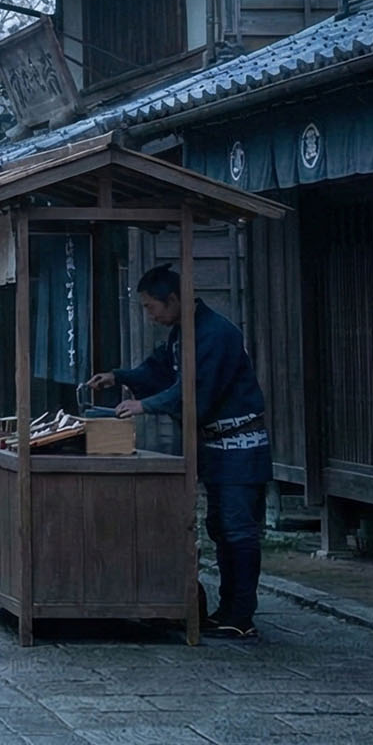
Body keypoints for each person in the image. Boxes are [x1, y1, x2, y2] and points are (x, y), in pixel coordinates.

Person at [87, 266, 270, 640]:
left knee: (238, 530)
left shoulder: (218, 334)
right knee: (221, 528)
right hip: (215, 446)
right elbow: (157, 372)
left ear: (173, 299)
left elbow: (196, 390)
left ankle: (241, 614)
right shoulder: (181, 334)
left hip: (240, 445)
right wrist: (120, 376)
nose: (150, 314)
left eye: (152, 306)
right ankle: (230, 610)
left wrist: (146, 406)